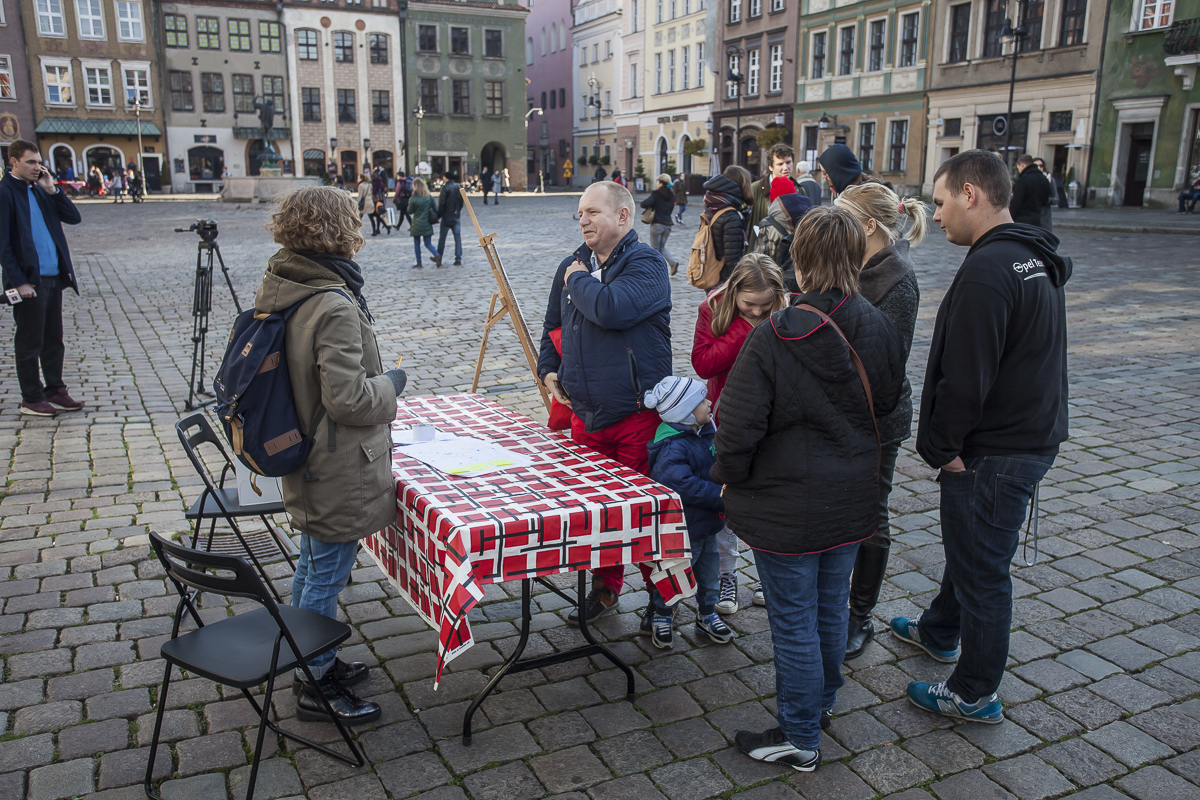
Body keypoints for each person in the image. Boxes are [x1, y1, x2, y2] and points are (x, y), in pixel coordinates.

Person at [718, 206, 903, 771]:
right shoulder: (877, 323)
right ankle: (817, 705)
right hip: (850, 498)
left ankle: (800, 735)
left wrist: (729, 479)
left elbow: (737, 427)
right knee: (827, 610)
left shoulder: (778, 333)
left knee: (796, 619)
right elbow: (893, 411)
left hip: (789, 503)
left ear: (797, 259)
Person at [892, 149, 1070, 725]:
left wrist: (945, 450)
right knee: (972, 551)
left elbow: (966, 376)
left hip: (995, 450)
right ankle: (941, 630)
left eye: (941, 203)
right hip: (1026, 436)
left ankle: (973, 691)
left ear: (971, 195)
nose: (936, 216)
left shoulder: (990, 270)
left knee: (983, 569)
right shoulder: (1028, 255)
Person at [257, 185, 406, 725]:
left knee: (313, 565)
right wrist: (392, 384)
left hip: (305, 449)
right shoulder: (332, 302)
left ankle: (311, 658)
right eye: (354, 219)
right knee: (324, 573)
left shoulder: (286, 279)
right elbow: (349, 399)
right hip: (337, 460)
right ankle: (312, 682)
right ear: (336, 230)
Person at [536, 181, 672, 625]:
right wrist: (548, 369)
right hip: (585, 415)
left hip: (635, 415)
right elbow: (552, 326)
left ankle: (661, 598)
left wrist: (577, 278)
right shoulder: (571, 266)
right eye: (580, 214)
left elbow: (612, 308)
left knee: (643, 514)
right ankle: (604, 589)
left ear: (623, 217)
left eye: (593, 212)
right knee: (596, 514)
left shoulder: (647, 263)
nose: (584, 220)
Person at [833, 182, 926, 660]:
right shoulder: (854, 263)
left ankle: (859, 615)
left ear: (868, 225)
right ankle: (832, 602)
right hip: (839, 414)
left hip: (876, 420)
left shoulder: (897, 278)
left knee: (872, 518)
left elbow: (886, 362)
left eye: (842, 215)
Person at [690, 254, 789, 614]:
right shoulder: (713, 308)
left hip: (774, 420)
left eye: (765, 307)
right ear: (734, 293)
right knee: (726, 500)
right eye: (749, 305)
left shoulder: (787, 308)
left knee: (770, 500)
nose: (757, 312)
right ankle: (727, 575)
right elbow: (702, 362)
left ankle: (769, 574)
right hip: (726, 417)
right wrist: (743, 331)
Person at [644, 376, 734, 649]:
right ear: (685, 414)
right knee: (673, 574)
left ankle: (707, 613)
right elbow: (682, 485)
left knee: (710, 576)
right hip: (681, 530)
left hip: (706, 526)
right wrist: (720, 497)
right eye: (702, 401)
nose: (709, 403)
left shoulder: (704, 431)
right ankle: (662, 614)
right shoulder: (672, 447)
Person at [0, 138, 84, 417]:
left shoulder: (40, 191)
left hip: (53, 277)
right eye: (30, 162)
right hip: (29, 282)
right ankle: (32, 397)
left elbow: (73, 218)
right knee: (29, 342)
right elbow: (3, 245)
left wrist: (53, 191)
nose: (37, 167)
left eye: (39, 162)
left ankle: (55, 389)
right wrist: (18, 281)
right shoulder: (6, 192)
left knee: (53, 340)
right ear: (13, 162)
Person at [700, 165, 753, 283]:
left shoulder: (713, 206)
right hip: (724, 279)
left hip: (711, 272)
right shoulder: (732, 215)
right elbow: (732, 257)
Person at [752, 190, 813, 287]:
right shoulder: (810, 225)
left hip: (772, 283)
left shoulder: (768, 225)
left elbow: (759, 259)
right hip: (802, 285)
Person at [747, 143, 795, 249]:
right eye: (780, 164)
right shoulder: (755, 189)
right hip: (760, 252)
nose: (785, 168)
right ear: (771, 167)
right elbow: (747, 225)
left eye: (788, 162)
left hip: (789, 255)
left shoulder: (799, 190)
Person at [640, 173, 678, 274]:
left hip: (657, 225)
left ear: (661, 183)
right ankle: (672, 262)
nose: (656, 184)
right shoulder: (672, 195)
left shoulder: (656, 194)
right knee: (662, 247)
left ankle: (655, 270)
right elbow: (670, 210)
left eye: (657, 182)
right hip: (668, 225)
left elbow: (644, 203)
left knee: (655, 249)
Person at [1010, 154, 1053, 230]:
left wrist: (1010, 217)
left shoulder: (1023, 180)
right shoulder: (1043, 179)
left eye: (1018, 167)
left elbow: (1016, 202)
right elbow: (1046, 199)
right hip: (1037, 219)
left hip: (1022, 219)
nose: (1019, 170)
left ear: (1022, 165)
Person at [407, 178, 439, 269]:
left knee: (417, 244)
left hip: (417, 223)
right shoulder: (429, 197)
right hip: (426, 223)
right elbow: (436, 209)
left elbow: (410, 211)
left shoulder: (413, 198)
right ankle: (437, 254)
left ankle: (419, 262)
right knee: (428, 243)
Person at [434, 171, 464, 266]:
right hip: (456, 216)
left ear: (446, 178)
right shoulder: (458, 187)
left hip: (446, 216)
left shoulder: (445, 188)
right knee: (457, 238)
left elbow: (441, 203)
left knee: (442, 238)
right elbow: (461, 202)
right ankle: (458, 259)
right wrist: (458, 210)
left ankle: (439, 257)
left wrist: (439, 215)